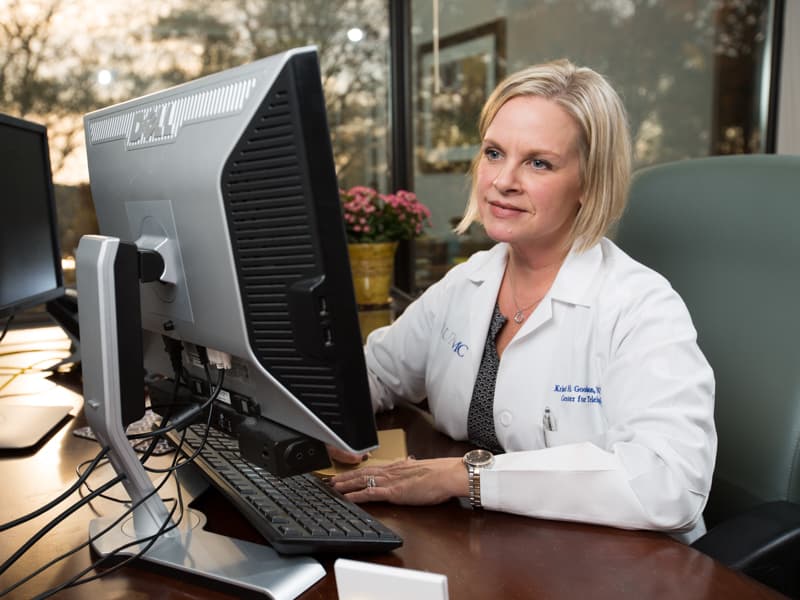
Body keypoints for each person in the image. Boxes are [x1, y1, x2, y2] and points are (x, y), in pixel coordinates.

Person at [330, 59, 716, 543]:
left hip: (621, 566)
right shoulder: (468, 282)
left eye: (539, 162)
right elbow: (376, 371)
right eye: (494, 153)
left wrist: (465, 477)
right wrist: (331, 419)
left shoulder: (641, 306)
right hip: (496, 546)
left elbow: (670, 483)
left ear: (590, 183)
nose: (502, 180)